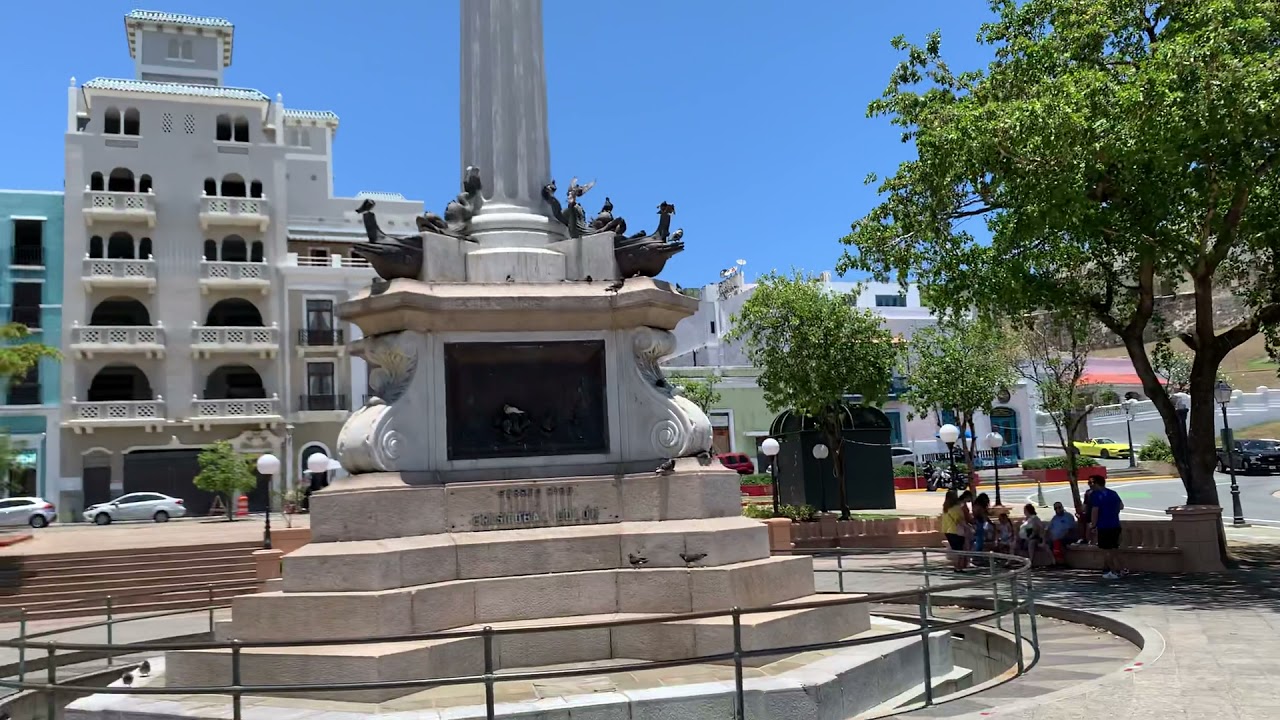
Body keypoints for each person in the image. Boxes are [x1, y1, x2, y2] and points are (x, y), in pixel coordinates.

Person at [1089, 475, 1126, 579]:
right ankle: (1122, 569)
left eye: (1091, 483)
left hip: (1104, 526)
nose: (1090, 485)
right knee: (1115, 549)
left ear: (1097, 483)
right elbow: (1121, 506)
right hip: (1115, 525)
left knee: (1106, 550)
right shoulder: (1113, 493)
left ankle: (1114, 572)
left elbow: (1095, 511)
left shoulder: (1096, 495)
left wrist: (1093, 525)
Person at [939, 489, 967, 571]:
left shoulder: (945, 508)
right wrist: (968, 528)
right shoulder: (957, 508)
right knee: (960, 549)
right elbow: (960, 520)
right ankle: (959, 566)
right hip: (956, 531)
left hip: (947, 531)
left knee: (955, 549)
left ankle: (956, 565)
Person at [1046, 501, 1077, 566]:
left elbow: (1069, 530)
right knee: (1046, 543)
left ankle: (1062, 563)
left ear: (1062, 507)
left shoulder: (1068, 516)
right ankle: (1054, 562)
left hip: (1067, 537)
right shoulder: (1054, 518)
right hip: (1055, 538)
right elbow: (1048, 528)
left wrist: (1059, 537)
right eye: (1056, 508)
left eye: (1059, 507)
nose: (1058, 509)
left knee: (1058, 543)